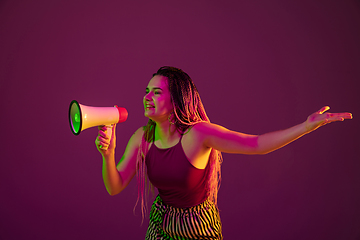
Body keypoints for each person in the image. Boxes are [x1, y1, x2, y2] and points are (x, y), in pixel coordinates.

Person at [95, 66, 352, 240]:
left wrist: (306, 126)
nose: (147, 97)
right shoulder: (142, 138)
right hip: (160, 222)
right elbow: (114, 186)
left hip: (198, 226)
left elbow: (257, 144)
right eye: (146, 91)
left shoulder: (200, 134)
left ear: (176, 100)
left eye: (157, 92)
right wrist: (109, 153)